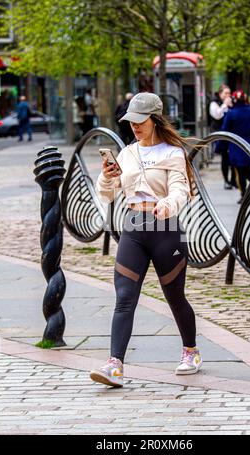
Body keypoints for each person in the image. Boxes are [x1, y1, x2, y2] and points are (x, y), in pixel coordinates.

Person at [91, 92, 202, 388]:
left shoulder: (173, 153)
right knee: (124, 298)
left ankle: (191, 351)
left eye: (140, 121)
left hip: (166, 231)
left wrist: (168, 204)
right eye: (131, 121)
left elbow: (180, 190)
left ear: (155, 120)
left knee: (175, 298)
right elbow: (107, 194)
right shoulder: (127, 153)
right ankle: (114, 365)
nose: (134, 126)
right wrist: (106, 176)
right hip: (134, 229)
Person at [221, 89, 250, 204]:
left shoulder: (231, 113)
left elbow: (225, 130)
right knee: (247, 168)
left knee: (240, 171)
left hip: (236, 146)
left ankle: (244, 193)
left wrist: (220, 147)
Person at [209, 84, 236, 189]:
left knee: (233, 156)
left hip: (231, 133)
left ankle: (234, 180)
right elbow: (217, 115)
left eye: (229, 93)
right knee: (225, 156)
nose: (228, 95)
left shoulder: (231, 102)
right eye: (226, 93)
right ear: (220, 93)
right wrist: (224, 105)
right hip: (220, 132)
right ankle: (226, 180)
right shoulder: (214, 103)